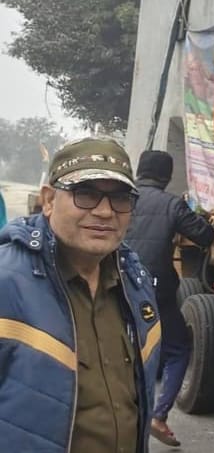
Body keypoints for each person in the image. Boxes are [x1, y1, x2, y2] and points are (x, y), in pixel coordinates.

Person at [0, 137, 162, 453]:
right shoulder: (7, 282)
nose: (104, 212)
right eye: (85, 194)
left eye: (120, 198)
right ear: (48, 200)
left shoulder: (135, 282)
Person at [124, 150, 214, 448]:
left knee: (124, 347)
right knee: (176, 349)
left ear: (139, 171)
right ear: (166, 176)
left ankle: (123, 411)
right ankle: (158, 415)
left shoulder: (123, 198)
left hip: (120, 282)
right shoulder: (172, 204)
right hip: (156, 290)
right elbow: (204, 235)